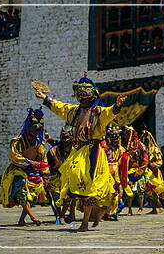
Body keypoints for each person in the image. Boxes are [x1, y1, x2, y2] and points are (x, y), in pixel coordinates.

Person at [35, 74, 127, 231]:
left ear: (92, 96)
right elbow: (59, 107)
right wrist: (45, 97)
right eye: (81, 97)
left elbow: (110, 113)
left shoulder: (98, 112)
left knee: (90, 185)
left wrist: (117, 106)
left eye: (86, 97)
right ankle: (81, 215)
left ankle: (85, 223)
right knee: (71, 177)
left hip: (94, 152)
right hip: (78, 151)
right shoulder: (74, 112)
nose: (83, 100)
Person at [0, 108, 50, 226]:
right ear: (28, 126)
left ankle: (22, 219)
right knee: (22, 190)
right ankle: (33, 217)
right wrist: (29, 162)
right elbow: (14, 156)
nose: (36, 131)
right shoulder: (17, 141)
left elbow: (43, 160)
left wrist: (46, 175)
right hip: (17, 171)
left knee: (31, 195)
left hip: (33, 172)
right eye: (34, 128)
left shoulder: (39, 144)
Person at [46, 125, 76, 225]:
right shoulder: (52, 152)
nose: (65, 140)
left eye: (67, 137)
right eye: (63, 137)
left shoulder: (75, 150)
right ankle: (58, 216)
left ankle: (62, 216)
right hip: (55, 177)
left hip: (69, 178)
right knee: (56, 197)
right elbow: (47, 167)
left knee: (68, 197)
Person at [140, 130, 164, 214]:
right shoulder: (144, 149)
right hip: (147, 171)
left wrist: (153, 164)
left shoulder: (155, 149)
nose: (144, 141)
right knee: (149, 190)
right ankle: (154, 208)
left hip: (154, 172)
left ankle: (159, 206)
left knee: (153, 189)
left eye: (146, 140)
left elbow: (159, 162)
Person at [120, 126, 149, 215]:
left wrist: (140, 171)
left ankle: (141, 208)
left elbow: (145, 159)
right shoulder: (124, 146)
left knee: (140, 191)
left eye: (127, 134)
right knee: (129, 191)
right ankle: (129, 209)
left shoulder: (140, 146)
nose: (125, 136)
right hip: (127, 171)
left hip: (138, 171)